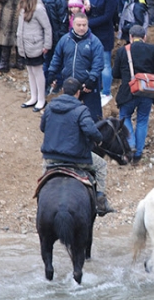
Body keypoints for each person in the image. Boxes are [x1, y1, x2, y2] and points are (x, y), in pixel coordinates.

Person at [40, 77, 114, 216]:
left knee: (44, 174)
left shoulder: (49, 107)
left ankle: (40, 197)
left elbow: (43, 127)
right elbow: (90, 130)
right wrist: (99, 139)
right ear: (78, 93)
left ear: (62, 90)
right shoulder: (81, 110)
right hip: (76, 157)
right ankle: (100, 200)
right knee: (101, 166)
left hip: (51, 158)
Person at [112, 25, 154, 165]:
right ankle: (138, 154)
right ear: (144, 37)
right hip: (147, 92)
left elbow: (115, 74)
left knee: (125, 117)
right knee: (142, 120)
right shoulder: (152, 49)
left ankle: (130, 146)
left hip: (128, 91)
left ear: (130, 37)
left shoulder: (122, 51)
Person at [47, 12, 105, 122]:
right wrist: (51, 73)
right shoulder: (65, 40)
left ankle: (94, 138)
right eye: (79, 25)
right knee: (68, 116)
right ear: (73, 25)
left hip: (87, 86)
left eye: (84, 25)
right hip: (70, 86)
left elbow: (98, 63)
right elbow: (57, 58)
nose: (82, 28)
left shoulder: (95, 42)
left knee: (93, 117)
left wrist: (91, 79)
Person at [85, 0, 118, 107]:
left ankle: (106, 92)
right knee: (93, 62)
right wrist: (87, 8)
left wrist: (88, 23)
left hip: (104, 33)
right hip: (92, 32)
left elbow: (107, 16)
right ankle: (95, 88)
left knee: (105, 64)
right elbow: (92, 7)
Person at [17, 0, 52, 112]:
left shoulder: (38, 9)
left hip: (35, 45)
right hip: (25, 46)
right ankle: (34, 97)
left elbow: (47, 28)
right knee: (30, 71)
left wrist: (47, 45)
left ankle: (41, 99)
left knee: (38, 72)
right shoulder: (22, 6)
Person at [39, 0, 68, 94]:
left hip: (57, 38)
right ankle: (44, 85)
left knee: (59, 62)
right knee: (46, 63)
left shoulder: (59, 1)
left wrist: (61, 37)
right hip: (46, 38)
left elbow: (63, 21)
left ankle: (58, 84)